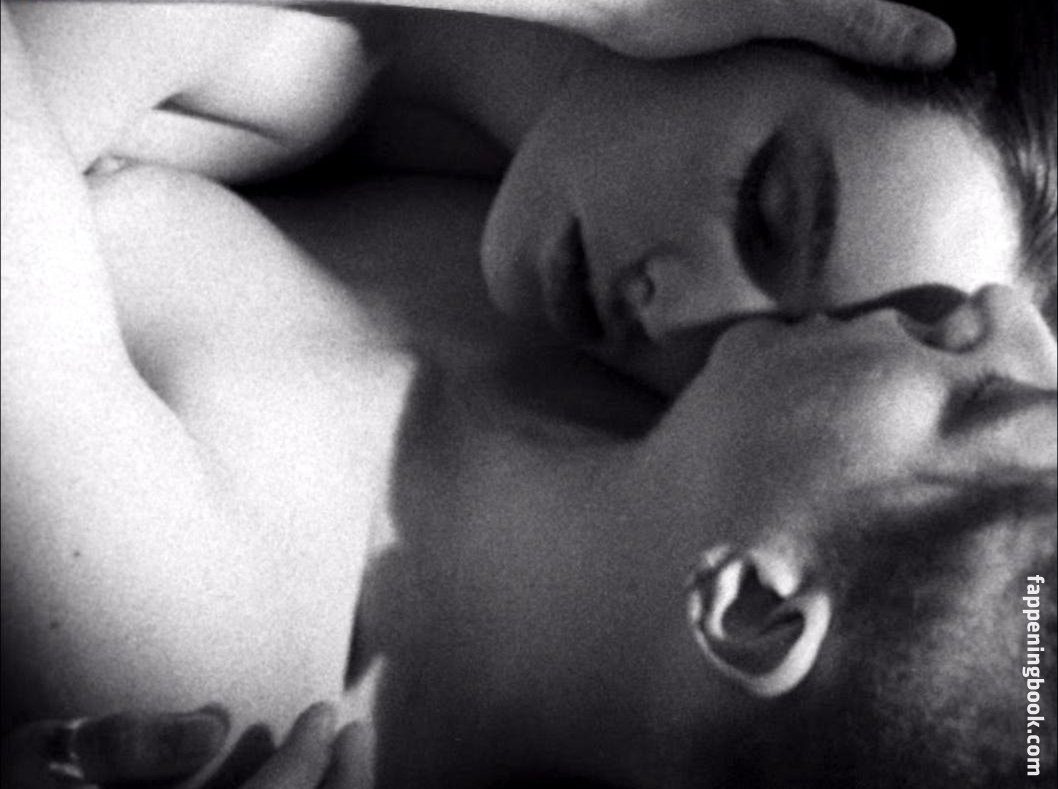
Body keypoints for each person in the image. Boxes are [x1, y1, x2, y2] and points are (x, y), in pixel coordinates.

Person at [1, 1, 1054, 787]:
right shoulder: (584, 352)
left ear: (752, 610)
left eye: (980, 405)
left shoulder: (203, 664)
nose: (1002, 322)